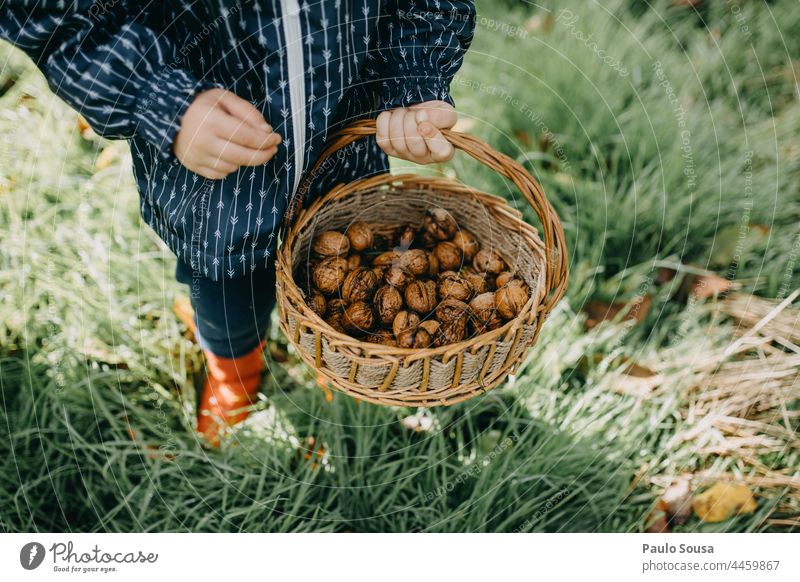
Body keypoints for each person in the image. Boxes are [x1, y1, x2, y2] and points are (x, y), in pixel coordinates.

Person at [0, 0, 476, 444]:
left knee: (340, 273)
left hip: (343, 157)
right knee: (226, 299)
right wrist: (160, 97)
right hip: (216, 189)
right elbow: (48, 13)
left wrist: (410, 82)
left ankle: (330, 349)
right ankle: (235, 375)